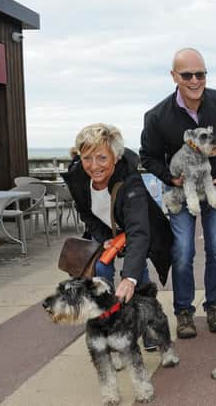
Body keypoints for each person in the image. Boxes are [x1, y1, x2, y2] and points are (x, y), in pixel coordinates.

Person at [140, 48, 216, 339]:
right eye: (187, 75)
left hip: (215, 185)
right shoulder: (157, 116)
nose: (195, 80)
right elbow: (148, 156)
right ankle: (183, 311)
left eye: (201, 74)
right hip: (181, 193)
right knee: (182, 251)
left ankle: (214, 306)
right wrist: (170, 177)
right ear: (174, 76)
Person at [63, 124, 174, 350]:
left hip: (137, 228)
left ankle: (149, 323)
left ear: (116, 156)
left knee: (137, 273)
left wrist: (129, 278)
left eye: (102, 158)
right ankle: (112, 322)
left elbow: (139, 231)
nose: (94, 166)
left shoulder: (131, 182)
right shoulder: (77, 177)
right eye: (87, 158)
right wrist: (105, 238)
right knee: (101, 270)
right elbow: (86, 213)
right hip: (107, 232)